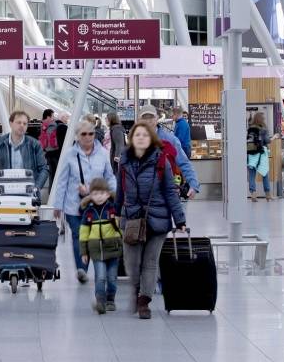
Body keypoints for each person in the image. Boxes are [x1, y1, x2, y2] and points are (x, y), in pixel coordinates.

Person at [119, 119, 186, 319]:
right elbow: (119, 189)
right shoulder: (124, 161)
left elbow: (170, 192)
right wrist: (115, 211)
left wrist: (179, 219)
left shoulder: (160, 161)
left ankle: (144, 301)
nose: (141, 138)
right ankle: (136, 288)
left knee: (149, 262)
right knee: (131, 262)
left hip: (157, 220)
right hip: (132, 219)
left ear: (151, 139)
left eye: (145, 135)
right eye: (137, 134)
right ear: (131, 138)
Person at [52, 118, 116, 285]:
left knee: (93, 236)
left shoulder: (102, 153)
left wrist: (113, 194)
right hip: (74, 204)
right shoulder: (69, 155)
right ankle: (82, 269)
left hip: (97, 204)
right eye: (84, 134)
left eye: (91, 133)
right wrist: (58, 205)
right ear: (77, 136)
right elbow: (62, 181)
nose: (88, 137)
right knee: (78, 235)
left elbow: (109, 176)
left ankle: (89, 267)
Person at [78, 177, 122, 314]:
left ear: (108, 194)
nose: (99, 197)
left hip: (113, 248)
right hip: (96, 250)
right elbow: (84, 233)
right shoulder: (89, 212)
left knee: (112, 278)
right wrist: (84, 252)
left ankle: (110, 300)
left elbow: (121, 228)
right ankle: (100, 301)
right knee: (100, 276)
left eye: (102, 193)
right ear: (91, 195)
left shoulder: (114, 209)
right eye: (95, 194)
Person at [0, 110, 49, 195]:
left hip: (29, 194)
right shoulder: (0, 142)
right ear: (11, 123)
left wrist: (36, 187)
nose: (22, 126)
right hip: (5, 193)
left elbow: (44, 169)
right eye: (19, 122)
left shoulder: (34, 144)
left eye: (25, 123)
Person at [140, 106, 199, 199]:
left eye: (151, 117)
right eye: (145, 118)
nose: (148, 121)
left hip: (164, 195)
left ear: (156, 118)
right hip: (141, 195)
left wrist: (193, 183)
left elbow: (184, 162)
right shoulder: (136, 141)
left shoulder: (170, 140)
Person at [246, 112, 271, 200]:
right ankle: (267, 194)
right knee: (265, 173)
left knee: (252, 175)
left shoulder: (250, 128)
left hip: (250, 154)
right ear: (261, 119)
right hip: (261, 154)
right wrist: (274, 137)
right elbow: (267, 141)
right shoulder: (263, 129)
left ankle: (253, 194)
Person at [39, 108, 60, 188]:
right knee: (56, 173)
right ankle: (54, 190)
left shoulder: (42, 125)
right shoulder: (54, 125)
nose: (53, 118)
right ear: (48, 117)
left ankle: (51, 190)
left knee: (51, 173)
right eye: (52, 116)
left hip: (46, 152)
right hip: (54, 152)